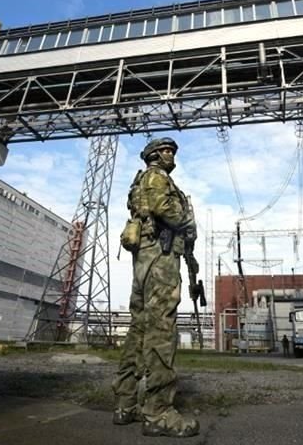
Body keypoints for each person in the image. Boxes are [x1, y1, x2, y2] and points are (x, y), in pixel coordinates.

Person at [112, 137, 200, 437]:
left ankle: (126, 404)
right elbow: (168, 211)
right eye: (165, 150)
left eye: (173, 150)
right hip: (160, 258)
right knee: (161, 327)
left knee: (139, 328)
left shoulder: (144, 180)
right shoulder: (157, 177)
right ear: (152, 155)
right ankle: (159, 411)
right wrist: (188, 221)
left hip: (145, 259)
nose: (170, 154)